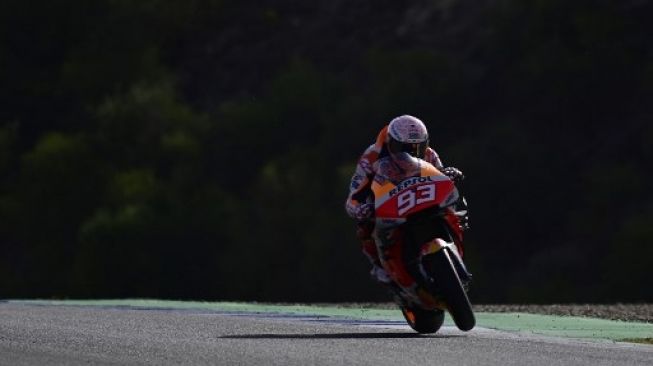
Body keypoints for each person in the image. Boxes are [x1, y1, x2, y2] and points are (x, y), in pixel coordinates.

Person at [345, 115, 467, 284]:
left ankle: (454, 241)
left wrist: (449, 174)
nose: (413, 153)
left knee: (453, 206)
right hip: (387, 202)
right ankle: (381, 265)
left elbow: (441, 176)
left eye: (418, 147)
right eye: (405, 148)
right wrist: (360, 208)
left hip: (422, 198)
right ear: (391, 143)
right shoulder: (371, 157)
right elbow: (354, 195)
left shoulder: (429, 154)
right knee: (365, 227)